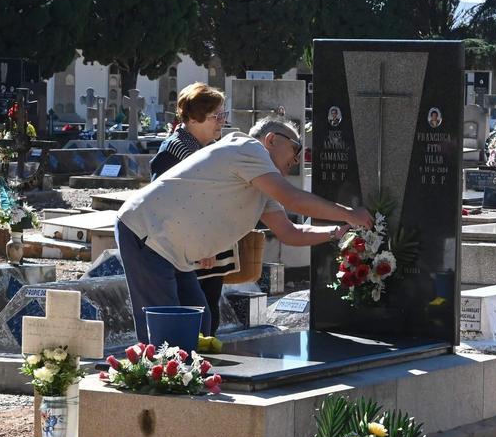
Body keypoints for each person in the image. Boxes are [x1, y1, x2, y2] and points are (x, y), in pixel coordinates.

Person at [116, 116, 372, 343]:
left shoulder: (262, 180)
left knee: (199, 326)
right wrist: (350, 213)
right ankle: (156, 390)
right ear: (271, 139)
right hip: (147, 233)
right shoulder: (248, 149)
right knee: (168, 335)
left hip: (170, 249)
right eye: (295, 149)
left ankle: (182, 387)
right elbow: (292, 199)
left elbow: (288, 232)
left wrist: (335, 232)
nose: (295, 160)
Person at [148, 82, 230, 337]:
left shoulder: (205, 148)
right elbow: (168, 207)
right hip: (189, 253)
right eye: (216, 116)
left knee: (210, 312)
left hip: (208, 250)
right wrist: (201, 244)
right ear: (195, 118)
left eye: (223, 115)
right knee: (198, 316)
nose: (222, 122)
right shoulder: (173, 152)